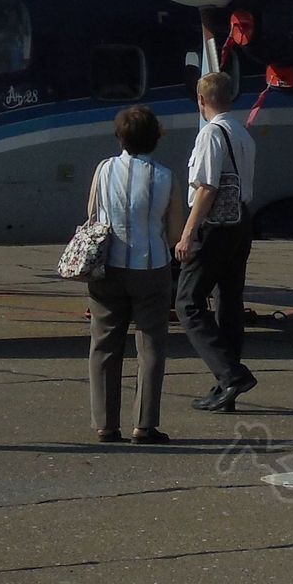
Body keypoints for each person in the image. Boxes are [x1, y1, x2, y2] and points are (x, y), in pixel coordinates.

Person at [85, 104, 181, 444]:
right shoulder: (165, 176)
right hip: (151, 264)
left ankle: (106, 424)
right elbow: (173, 232)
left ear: (119, 137)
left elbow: (92, 212)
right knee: (151, 343)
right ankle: (145, 423)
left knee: (105, 343)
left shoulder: (103, 169)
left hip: (108, 265)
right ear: (155, 138)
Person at [177, 72, 258, 412]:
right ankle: (227, 386)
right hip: (240, 222)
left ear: (201, 100)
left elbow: (206, 188)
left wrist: (187, 232)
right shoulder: (242, 133)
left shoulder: (211, 134)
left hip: (216, 226)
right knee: (228, 301)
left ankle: (230, 373)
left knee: (188, 301)